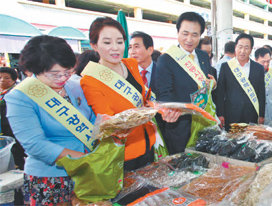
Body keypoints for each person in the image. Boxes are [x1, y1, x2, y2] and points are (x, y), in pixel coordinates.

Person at [81, 17, 180, 170]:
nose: (115, 48)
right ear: (94, 45)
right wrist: (147, 113)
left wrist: (163, 110)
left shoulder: (131, 64)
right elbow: (109, 122)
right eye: (107, 42)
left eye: (120, 42)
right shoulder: (90, 80)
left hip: (149, 143)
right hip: (123, 154)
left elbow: (145, 98)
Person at [6, 35, 95, 205]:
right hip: (50, 178)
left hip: (86, 173)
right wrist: (86, 160)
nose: (62, 78)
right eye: (54, 74)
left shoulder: (75, 86)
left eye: (68, 72)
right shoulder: (20, 97)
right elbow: (35, 144)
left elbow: (91, 119)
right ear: (35, 70)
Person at [154, 12, 217, 154]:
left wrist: (213, 84)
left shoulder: (202, 56)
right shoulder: (166, 60)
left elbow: (206, 81)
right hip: (179, 127)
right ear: (177, 32)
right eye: (185, 33)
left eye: (195, 35)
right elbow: (164, 95)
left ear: (200, 35)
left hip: (203, 124)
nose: (189, 39)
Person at [216, 33, 265, 130]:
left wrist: (261, 115)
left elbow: (261, 93)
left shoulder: (258, 68)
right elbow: (220, 92)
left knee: (250, 142)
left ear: (251, 49)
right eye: (240, 47)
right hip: (231, 114)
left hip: (252, 114)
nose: (243, 51)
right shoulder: (226, 67)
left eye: (246, 48)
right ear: (235, 47)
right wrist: (220, 114)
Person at [0, 67, 25, 170]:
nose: (2, 80)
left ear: (14, 80)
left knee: (17, 152)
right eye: (0, 77)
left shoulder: (17, 93)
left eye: (6, 78)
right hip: (4, 130)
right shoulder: (2, 94)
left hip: (14, 128)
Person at [254, 47, 272, 126]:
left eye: (268, 61)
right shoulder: (251, 74)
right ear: (255, 60)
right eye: (263, 62)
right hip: (255, 114)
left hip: (269, 112)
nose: (266, 64)